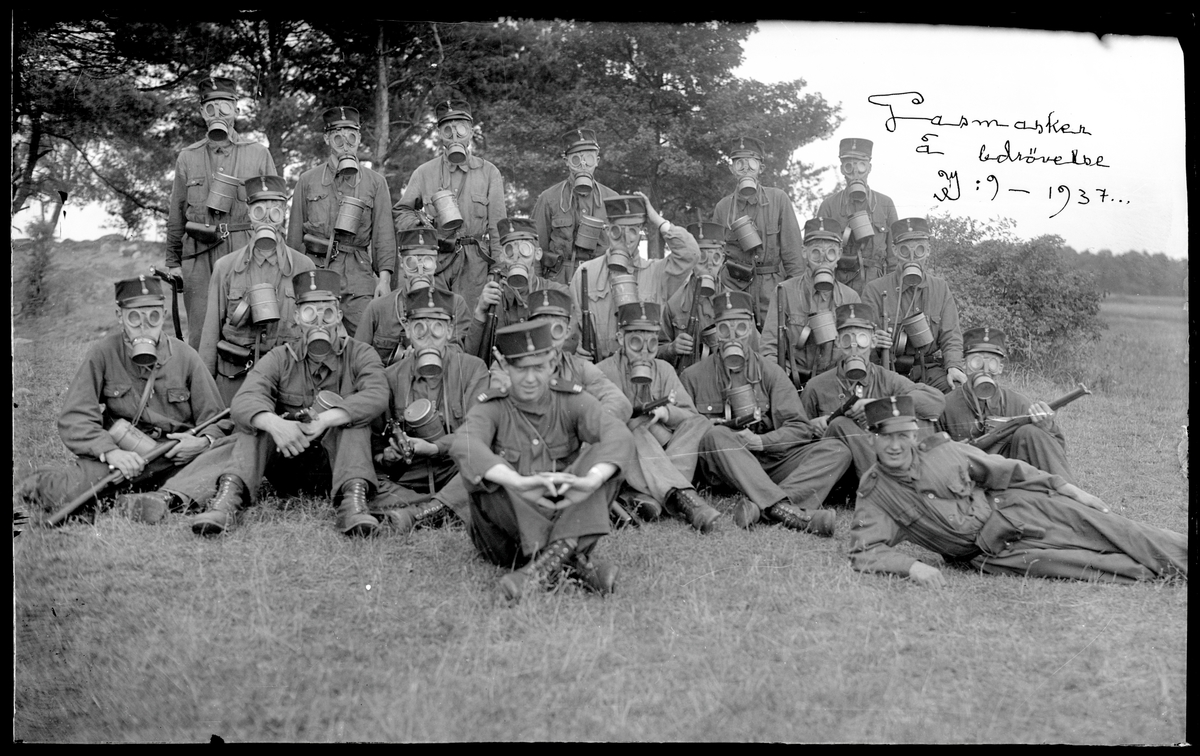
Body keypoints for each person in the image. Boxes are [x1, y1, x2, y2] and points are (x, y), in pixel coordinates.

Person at [849, 395, 1187, 586]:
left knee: (1111, 527)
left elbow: (1008, 470)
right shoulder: (875, 493)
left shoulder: (943, 451)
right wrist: (913, 567)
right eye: (885, 437)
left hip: (1018, 509)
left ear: (913, 435)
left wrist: (1069, 490)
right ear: (871, 439)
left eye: (902, 436)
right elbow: (865, 550)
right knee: (1094, 566)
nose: (895, 445)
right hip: (992, 553)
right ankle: (1170, 574)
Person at [15, 277, 233, 522]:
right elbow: (75, 417)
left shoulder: (186, 356)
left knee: (223, 464)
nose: (144, 326)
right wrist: (109, 452)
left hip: (172, 460)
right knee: (68, 492)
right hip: (122, 458)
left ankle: (154, 498)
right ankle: (45, 482)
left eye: (153, 317)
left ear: (163, 316)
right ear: (120, 316)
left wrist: (202, 442)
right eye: (134, 318)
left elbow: (217, 418)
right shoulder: (103, 353)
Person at [190, 270, 389, 537]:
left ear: (339, 316)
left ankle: (353, 504)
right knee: (257, 422)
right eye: (309, 313)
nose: (319, 323)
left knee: (354, 420)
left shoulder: (361, 354)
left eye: (327, 313)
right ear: (296, 317)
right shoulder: (280, 357)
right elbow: (244, 400)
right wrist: (276, 424)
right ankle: (227, 500)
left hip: (338, 467)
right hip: (288, 464)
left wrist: (326, 420)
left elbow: (377, 394)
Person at [450, 321, 633, 602]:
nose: (530, 378)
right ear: (505, 366)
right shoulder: (492, 407)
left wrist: (590, 481)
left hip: (563, 512)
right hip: (506, 539)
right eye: (521, 368)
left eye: (538, 368)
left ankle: (540, 570)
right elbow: (465, 444)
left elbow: (618, 435)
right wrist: (518, 482)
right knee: (487, 472)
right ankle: (571, 558)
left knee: (604, 458)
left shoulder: (571, 400)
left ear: (553, 364)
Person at [679, 291, 853, 535]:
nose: (733, 337)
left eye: (741, 328)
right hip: (724, 467)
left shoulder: (770, 372)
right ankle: (783, 508)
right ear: (716, 331)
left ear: (751, 328)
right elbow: (684, 434)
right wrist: (713, 428)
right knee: (715, 435)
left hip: (767, 460)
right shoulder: (693, 377)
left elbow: (799, 428)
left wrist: (761, 442)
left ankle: (767, 508)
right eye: (725, 329)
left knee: (837, 450)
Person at [165, 76, 277, 349]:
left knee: (245, 328)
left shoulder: (258, 153)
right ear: (202, 113)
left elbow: (274, 210)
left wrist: (273, 257)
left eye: (225, 107)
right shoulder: (188, 157)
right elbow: (177, 212)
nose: (218, 115)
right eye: (211, 108)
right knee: (200, 332)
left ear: (237, 109)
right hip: (198, 255)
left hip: (244, 251)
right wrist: (173, 262)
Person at [371, 287, 490, 532]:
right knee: (369, 485)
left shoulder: (472, 369)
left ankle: (420, 512)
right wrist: (389, 456)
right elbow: (376, 447)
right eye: (419, 327)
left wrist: (435, 448)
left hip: (457, 468)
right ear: (407, 330)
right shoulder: (391, 376)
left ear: (450, 330)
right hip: (411, 475)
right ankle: (445, 506)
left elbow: (478, 434)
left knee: (488, 464)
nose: (428, 336)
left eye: (437, 327)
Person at [595, 301, 720, 532]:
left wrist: (666, 413)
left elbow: (690, 416)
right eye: (636, 342)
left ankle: (644, 495)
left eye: (652, 344)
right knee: (635, 430)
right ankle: (685, 499)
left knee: (700, 422)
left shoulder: (664, 369)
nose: (644, 351)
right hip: (627, 456)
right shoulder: (603, 372)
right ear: (620, 338)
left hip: (664, 447)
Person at [199, 174, 315, 405]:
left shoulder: (303, 267)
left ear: (284, 214)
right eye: (259, 211)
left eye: (275, 212)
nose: (267, 219)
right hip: (237, 379)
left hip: (287, 378)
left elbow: (312, 328)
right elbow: (210, 334)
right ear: (249, 213)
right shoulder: (226, 267)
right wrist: (206, 395)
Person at [801, 303, 945, 481]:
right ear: (837, 342)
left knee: (920, 421)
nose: (854, 348)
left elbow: (935, 401)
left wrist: (880, 407)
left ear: (873, 342)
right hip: (838, 473)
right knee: (840, 424)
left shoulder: (887, 379)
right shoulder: (816, 386)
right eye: (846, 340)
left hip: (881, 464)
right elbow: (795, 436)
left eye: (862, 339)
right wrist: (811, 426)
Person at [287, 106, 396, 338]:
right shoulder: (307, 181)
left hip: (359, 276)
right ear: (327, 138)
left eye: (351, 136)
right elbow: (294, 240)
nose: (345, 144)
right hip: (316, 272)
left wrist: (384, 280)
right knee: (317, 339)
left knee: (365, 342)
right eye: (338, 137)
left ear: (359, 138)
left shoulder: (375, 183)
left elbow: (384, 236)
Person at [392, 99, 507, 306]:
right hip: (436, 263)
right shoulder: (424, 172)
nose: (454, 136)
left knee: (472, 320)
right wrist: (419, 223)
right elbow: (401, 211)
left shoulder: (489, 172)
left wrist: (497, 270)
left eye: (461, 129)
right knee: (435, 316)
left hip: (475, 264)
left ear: (471, 132)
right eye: (447, 130)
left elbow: (498, 227)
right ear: (439, 134)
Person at [570, 193, 698, 361]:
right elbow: (571, 333)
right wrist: (576, 352)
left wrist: (656, 219)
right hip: (600, 369)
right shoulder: (586, 273)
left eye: (633, 230)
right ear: (608, 231)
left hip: (644, 365)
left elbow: (690, 254)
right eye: (617, 230)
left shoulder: (656, 274)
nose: (626, 238)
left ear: (640, 233)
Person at [940, 327, 1078, 484]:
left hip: (1011, 483)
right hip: (965, 483)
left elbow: (1055, 454)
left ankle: (1071, 495)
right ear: (964, 365)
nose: (985, 370)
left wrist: (1048, 428)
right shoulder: (946, 405)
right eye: (976, 362)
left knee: (1031, 432)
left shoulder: (1018, 403)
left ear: (1000, 368)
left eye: (992, 363)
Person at [861, 217, 967, 393]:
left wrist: (954, 366)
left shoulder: (940, 288)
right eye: (905, 251)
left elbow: (951, 335)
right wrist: (873, 341)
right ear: (895, 250)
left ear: (928, 251)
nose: (912, 258)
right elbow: (862, 337)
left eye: (919, 250)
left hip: (928, 370)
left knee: (958, 395)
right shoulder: (874, 289)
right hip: (888, 370)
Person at [710, 136, 805, 325]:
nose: (746, 169)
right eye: (739, 164)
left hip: (772, 289)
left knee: (774, 338)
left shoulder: (778, 199)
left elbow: (793, 255)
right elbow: (715, 256)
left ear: (761, 168)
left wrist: (796, 297)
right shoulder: (723, 207)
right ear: (731, 169)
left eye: (752, 163)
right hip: (734, 288)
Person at [760, 217, 861, 390]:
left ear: (839, 255)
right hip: (793, 383)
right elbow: (769, 348)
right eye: (816, 252)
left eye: (830, 253)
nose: (823, 260)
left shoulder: (850, 298)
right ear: (804, 253)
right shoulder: (784, 291)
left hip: (835, 385)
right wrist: (780, 382)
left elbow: (856, 353)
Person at [465, 217, 579, 361]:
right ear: (502, 257)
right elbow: (470, 356)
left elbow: (569, 346)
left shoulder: (558, 294)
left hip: (545, 370)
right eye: (509, 250)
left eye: (525, 249)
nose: (517, 256)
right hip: (503, 371)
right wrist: (480, 313)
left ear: (537, 254)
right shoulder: (492, 298)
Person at [355, 227, 471, 365]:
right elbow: (358, 358)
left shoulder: (455, 305)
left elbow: (460, 358)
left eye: (427, 261)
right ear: (402, 262)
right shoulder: (379, 308)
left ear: (435, 262)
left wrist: (432, 352)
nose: (420, 270)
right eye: (412, 262)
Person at [658, 221, 760, 372]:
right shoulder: (675, 304)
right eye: (702, 258)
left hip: (727, 377)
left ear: (723, 259)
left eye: (715, 257)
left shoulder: (737, 302)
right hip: (688, 380)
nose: (709, 265)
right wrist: (671, 349)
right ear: (692, 259)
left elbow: (757, 351)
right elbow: (654, 350)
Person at [527, 288, 632, 422]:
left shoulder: (579, 368)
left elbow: (620, 403)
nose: (548, 338)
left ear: (566, 333)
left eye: (556, 330)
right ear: (529, 330)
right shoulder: (510, 368)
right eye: (540, 329)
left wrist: (586, 425)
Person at [532, 127, 620, 284]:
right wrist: (537, 286)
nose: (583, 165)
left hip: (601, 280)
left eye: (589, 158)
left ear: (597, 161)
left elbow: (621, 250)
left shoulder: (612, 199)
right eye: (576, 159)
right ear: (566, 161)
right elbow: (536, 248)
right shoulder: (549, 198)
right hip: (559, 281)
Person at [815, 137, 899, 295]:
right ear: (842, 170)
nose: (855, 173)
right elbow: (818, 255)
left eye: (861, 166)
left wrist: (892, 292)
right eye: (849, 166)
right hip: (840, 286)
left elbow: (894, 258)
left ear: (869, 168)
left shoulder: (884, 204)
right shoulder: (829, 206)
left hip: (877, 286)